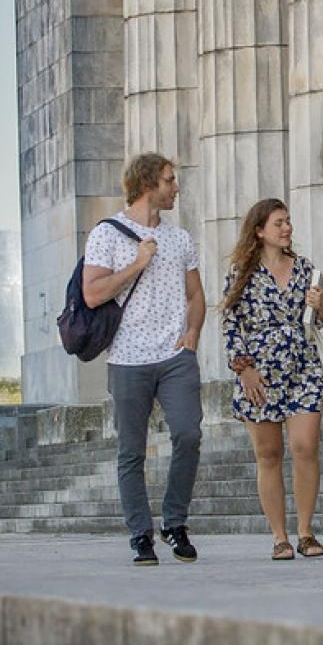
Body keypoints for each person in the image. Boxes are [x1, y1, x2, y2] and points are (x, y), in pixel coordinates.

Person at [82, 152, 205, 566]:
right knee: (131, 451)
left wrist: (192, 334)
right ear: (148, 183)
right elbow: (92, 294)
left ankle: (175, 522)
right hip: (127, 357)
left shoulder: (180, 238)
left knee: (188, 434)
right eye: (170, 180)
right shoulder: (106, 234)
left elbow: (196, 295)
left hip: (175, 356)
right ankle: (140, 534)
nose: (176, 187)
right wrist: (137, 263)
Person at [221, 198, 323, 561]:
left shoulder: (305, 268)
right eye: (278, 223)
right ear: (259, 231)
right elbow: (231, 324)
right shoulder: (241, 272)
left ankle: (306, 531)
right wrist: (244, 369)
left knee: (305, 446)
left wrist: (320, 304)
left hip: (302, 366)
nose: (287, 228)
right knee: (268, 454)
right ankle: (279, 536)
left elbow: (320, 319)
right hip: (260, 373)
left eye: (288, 221)